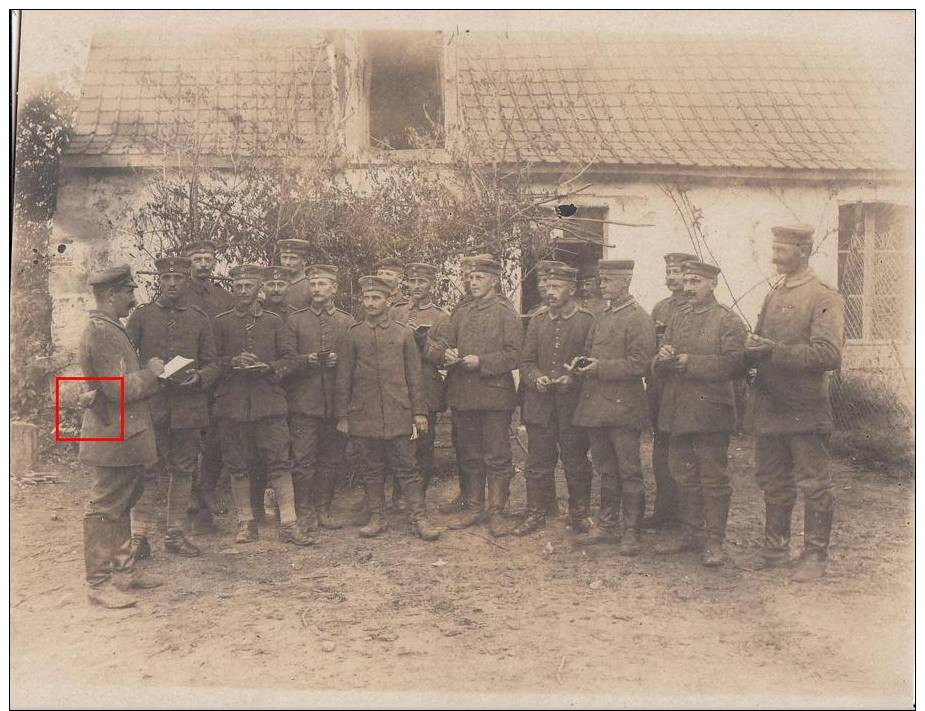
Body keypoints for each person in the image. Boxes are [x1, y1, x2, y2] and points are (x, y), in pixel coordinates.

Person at [745, 224, 844, 582]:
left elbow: (829, 353)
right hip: (771, 406)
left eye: (781, 249)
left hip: (804, 408)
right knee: (772, 480)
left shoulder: (823, 297)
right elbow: (761, 342)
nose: (774, 255)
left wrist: (775, 351)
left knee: (814, 483)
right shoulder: (774, 294)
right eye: (774, 247)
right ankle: (775, 549)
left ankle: (815, 556)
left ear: (803, 250)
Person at [77, 265, 166, 608]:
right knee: (104, 509)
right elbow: (116, 390)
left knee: (122, 504)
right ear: (112, 295)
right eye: (129, 292)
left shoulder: (113, 328)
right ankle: (98, 583)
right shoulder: (102, 332)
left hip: (124, 435)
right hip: (112, 436)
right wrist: (153, 374)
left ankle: (124, 572)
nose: (133, 299)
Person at [652, 260, 747, 567]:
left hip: (709, 413)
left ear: (712, 284)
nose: (689, 288)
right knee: (683, 474)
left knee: (713, 478)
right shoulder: (678, 318)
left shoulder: (728, 321)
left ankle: (714, 541)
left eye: (696, 282)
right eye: (687, 281)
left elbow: (735, 364)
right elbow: (660, 359)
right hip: (678, 411)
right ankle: (690, 533)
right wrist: (663, 357)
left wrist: (689, 361)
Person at [125, 256, 220, 559]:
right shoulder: (142, 316)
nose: (172, 284)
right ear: (158, 281)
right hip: (151, 407)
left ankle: (175, 534)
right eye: (166, 278)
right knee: (147, 469)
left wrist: (200, 376)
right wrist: (145, 365)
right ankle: (139, 537)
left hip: (187, 406)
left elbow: (214, 363)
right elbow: (123, 360)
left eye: (178, 278)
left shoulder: (198, 318)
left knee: (183, 470)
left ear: (185, 280)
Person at [211, 264, 313, 546]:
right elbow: (210, 361)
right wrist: (232, 362)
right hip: (232, 404)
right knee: (237, 465)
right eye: (239, 286)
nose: (243, 291)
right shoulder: (221, 322)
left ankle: (289, 524)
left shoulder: (275, 322)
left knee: (280, 463)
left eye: (249, 286)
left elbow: (291, 359)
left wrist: (268, 367)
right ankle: (246, 522)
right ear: (233, 289)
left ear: (260, 290)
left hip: (268, 403)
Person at [335, 275, 440, 541]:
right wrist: (343, 416)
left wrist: (419, 412)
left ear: (387, 301)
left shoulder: (402, 333)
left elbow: (414, 376)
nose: (370, 303)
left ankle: (419, 518)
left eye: (376, 298)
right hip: (364, 414)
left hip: (398, 413)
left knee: (407, 467)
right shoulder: (353, 334)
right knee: (371, 468)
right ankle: (377, 517)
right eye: (367, 298)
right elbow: (343, 378)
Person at [431, 255, 523, 537]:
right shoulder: (461, 311)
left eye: (479, 277)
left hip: (495, 396)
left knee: (496, 454)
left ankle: (497, 510)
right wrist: (446, 352)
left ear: (493, 280)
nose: (473, 283)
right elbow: (447, 342)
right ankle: (474, 507)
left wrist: (481, 361)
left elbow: (515, 354)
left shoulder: (506, 312)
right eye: (470, 278)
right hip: (463, 394)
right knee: (469, 453)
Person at [572, 259, 656, 556]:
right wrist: (582, 363)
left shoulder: (638, 319)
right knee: (606, 468)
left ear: (625, 282)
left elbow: (640, 364)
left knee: (629, 470)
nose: (602, 286)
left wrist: (599, 367)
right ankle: (607, 526)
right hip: (597, 406)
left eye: (607, 281)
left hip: (624, 408)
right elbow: (589, 349)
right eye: (602, 280)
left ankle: (632, 530)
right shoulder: (602, 315)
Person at [515, 264, 595, 536]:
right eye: (547, 287)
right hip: (540, 405)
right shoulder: (537, 321)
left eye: (556, 287)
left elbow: (591, 362)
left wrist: (574, 378)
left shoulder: (587, 321)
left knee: (576, 461)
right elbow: (525, 361)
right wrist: (536, 377)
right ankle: (535, 513)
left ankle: (579, 514)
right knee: (537, 462)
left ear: (571, 290)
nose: (549, 292)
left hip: (573, 406)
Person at [286, 264, 354, 532]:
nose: (316, 289)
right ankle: (305, 512)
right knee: (303, 460)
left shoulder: (347, 321)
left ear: (334, 288)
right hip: (304, 402)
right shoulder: (295, 320)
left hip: (337, 403)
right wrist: (307, 360)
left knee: (331, 458)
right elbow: (287, 359)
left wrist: (340, 361)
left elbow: (355, 363)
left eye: (322, 284)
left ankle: (324, 509)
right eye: (312, 285)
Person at [644, 251, 699, 530]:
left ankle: (687, 515)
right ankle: (664, 509)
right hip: (661, 387)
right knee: (661, 447)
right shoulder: (660, 308)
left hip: (687, 388)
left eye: (677, 272)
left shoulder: (697, 308)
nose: (671, 277)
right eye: (668, 272)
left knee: (686, 451)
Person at [182, 240, 234, 527]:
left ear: (214, 262)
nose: (202, 263)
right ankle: (189, 491)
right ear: (189, 262)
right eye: (197, 258)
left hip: (219, 376)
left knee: (216, 437)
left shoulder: (223, 298)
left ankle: (208, 488)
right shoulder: (180, 294)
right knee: (189, 436)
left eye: (207, 258)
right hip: (188, 374)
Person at [391, 263, 450, 502]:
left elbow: (442, 356)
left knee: (424, 445)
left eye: (422, 282)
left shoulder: (441, 317)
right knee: (398, 443)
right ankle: (397, 497)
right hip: (397, 386)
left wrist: (422, 341)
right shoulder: (396, 311)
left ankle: (418, 499)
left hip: (425, 387)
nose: (416, 287)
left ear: (431, 285)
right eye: (412, 282)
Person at [279, 239, 313, 310]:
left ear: (304, 260)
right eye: (284, 257)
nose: (287, 262)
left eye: (293, 258)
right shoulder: (274, 285)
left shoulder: (311, 287)